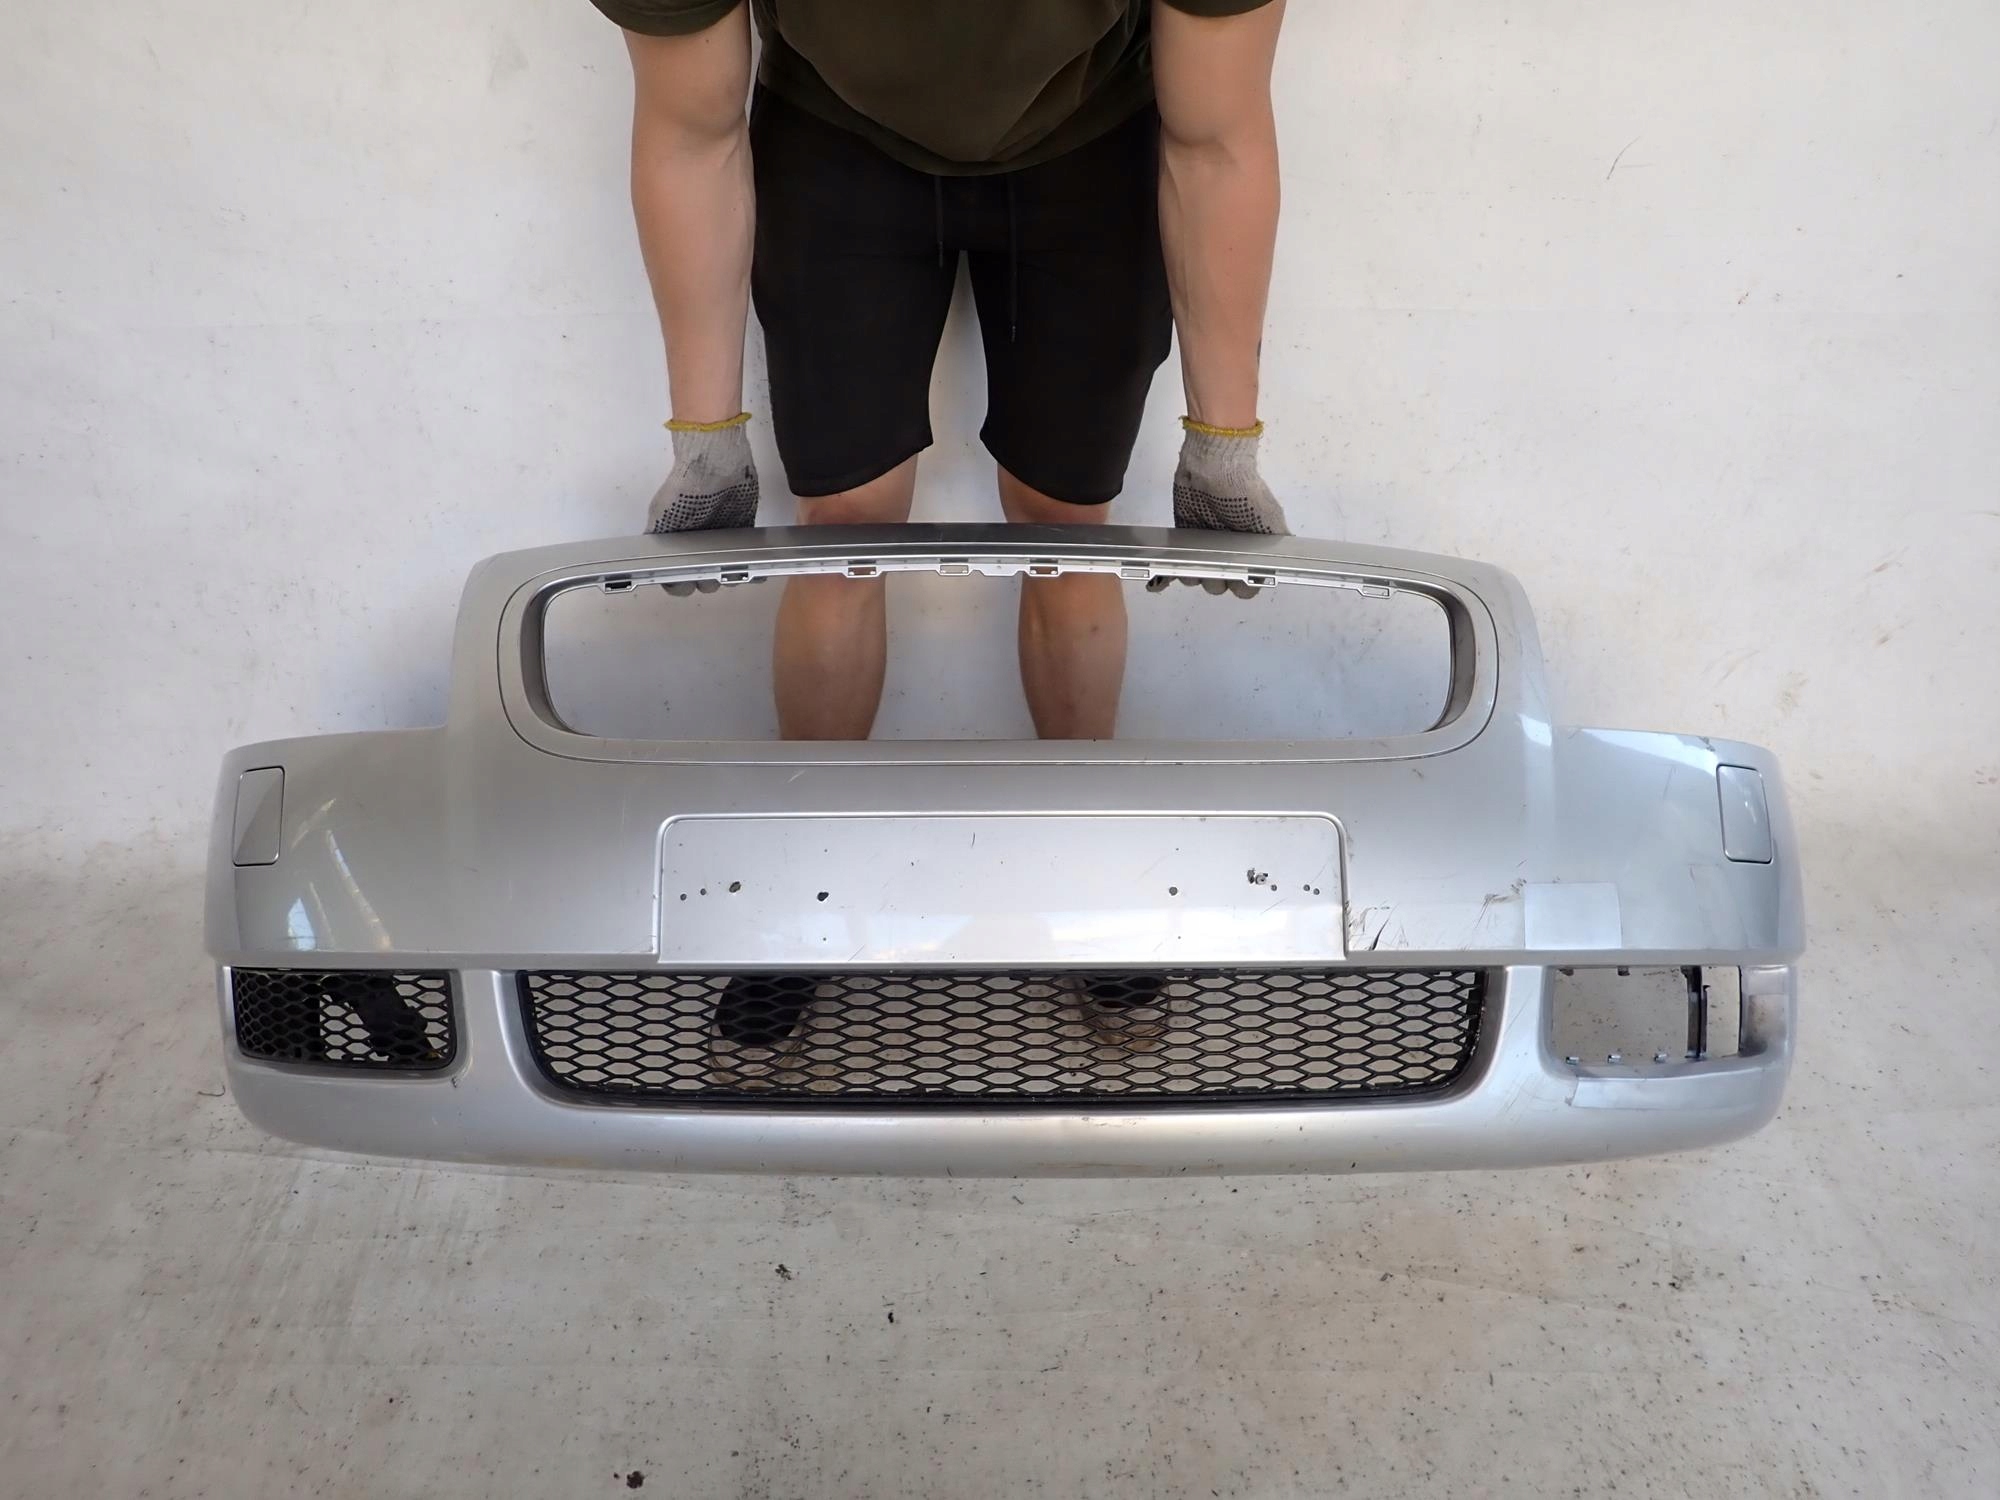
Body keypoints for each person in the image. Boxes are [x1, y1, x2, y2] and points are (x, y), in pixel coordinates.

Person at [587, 0, 1290, 1067]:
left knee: (1065, 529)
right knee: (843, 534)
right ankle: (803, 888)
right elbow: (691, 126)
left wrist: (1223, 443)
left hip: (1089, 142)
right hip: (835, 141)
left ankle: (1084, 872)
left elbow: (1217, 132)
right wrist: (705, 437)